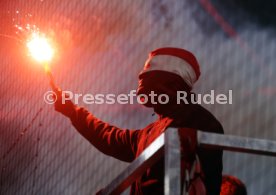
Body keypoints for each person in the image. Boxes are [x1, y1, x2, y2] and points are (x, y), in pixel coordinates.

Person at [53, 47, 224, 194]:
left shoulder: (200, 122)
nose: (140, 80)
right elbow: (109, 137)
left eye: (148, 78)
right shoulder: (148, 134)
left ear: (172, 82)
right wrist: (73, 111)